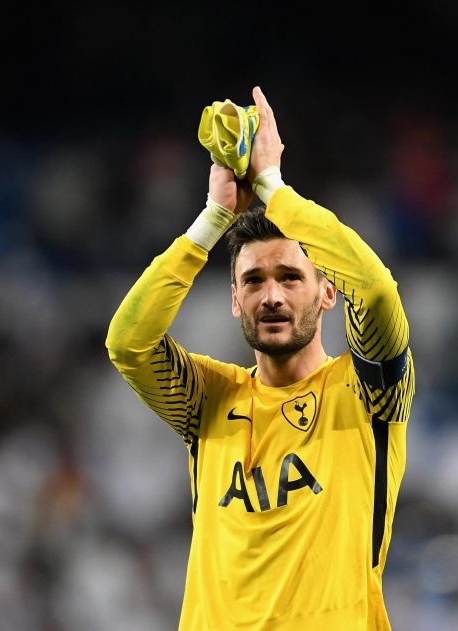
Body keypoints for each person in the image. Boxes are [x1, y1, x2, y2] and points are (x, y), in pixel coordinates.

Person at [106, 86, 415, 630]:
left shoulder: (369, 392)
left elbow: (378, 293)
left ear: (327, 293)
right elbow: (127, 342)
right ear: (234, 299)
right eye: (253, 280)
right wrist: (212, 220)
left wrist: (274, 189)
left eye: (291, 277)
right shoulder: (208, 399)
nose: (271, 295)